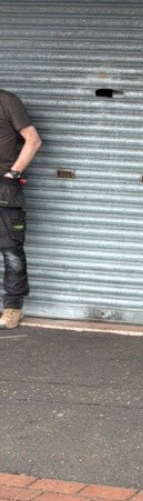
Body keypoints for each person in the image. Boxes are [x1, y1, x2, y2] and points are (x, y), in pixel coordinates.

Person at [0, 90, 42, 329]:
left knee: (11, 251)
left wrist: (12, 174)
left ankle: (13, 308)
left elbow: (33, 139)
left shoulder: (7, 101)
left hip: (3, 188)